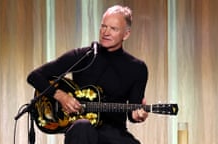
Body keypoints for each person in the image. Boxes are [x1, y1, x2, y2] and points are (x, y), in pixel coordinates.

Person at [27, 5, 148, 144]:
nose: (105, 32)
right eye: (103, 26)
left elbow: (132, 114)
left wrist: (138, 115)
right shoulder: (83, 55)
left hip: (114, 133)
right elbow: (34, 76)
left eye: (113, 29)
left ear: (126, 34)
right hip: (81, 129)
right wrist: (61, 96)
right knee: (82, 127)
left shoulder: (137, 68)